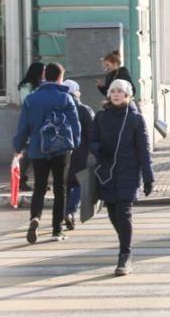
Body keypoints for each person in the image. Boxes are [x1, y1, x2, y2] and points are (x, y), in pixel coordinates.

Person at [90, 79, 155, 276]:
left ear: (127, 95)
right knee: (112, 212)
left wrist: (148, 176)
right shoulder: (101, 116)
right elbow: (91, 140)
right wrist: (99, 150)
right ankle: (124, 242)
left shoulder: (135, 118)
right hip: (106, 172)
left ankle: (124, 255)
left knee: (124, 212)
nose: (116, 94)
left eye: (120, 91)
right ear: (109, 94)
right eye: (113, 91)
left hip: (128, 170)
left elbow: (143, 149)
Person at [13, 62, 80, 244]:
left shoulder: (31, 99)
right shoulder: (66, 98)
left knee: (39, 188)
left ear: (44, 76)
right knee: (60, 189)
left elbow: (23, 127)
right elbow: (75, 125)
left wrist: (18, 147)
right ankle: (56, 230)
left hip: (37, 149)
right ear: (60, 77)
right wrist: (75, 144)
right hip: (61, 150)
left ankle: (35, 217)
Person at [62, 79, 94, 231]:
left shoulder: (59, 107)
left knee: (65, 185)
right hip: (81, 152)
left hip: (61, 152)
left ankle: (66, 214)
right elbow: (93, 134)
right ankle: (70, 211)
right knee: (79, 184)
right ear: (77, 93)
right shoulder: (84, 110)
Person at [17, 62, 45, 191]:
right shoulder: (26, 86)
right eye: (43, 70)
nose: (45, 72)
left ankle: (40, 182)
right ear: (37, 72)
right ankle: (19, 180)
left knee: (39, 154)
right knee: (28, 154)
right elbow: (27, 103)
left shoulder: (42, 85)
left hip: (40, 123)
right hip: (30, 123)